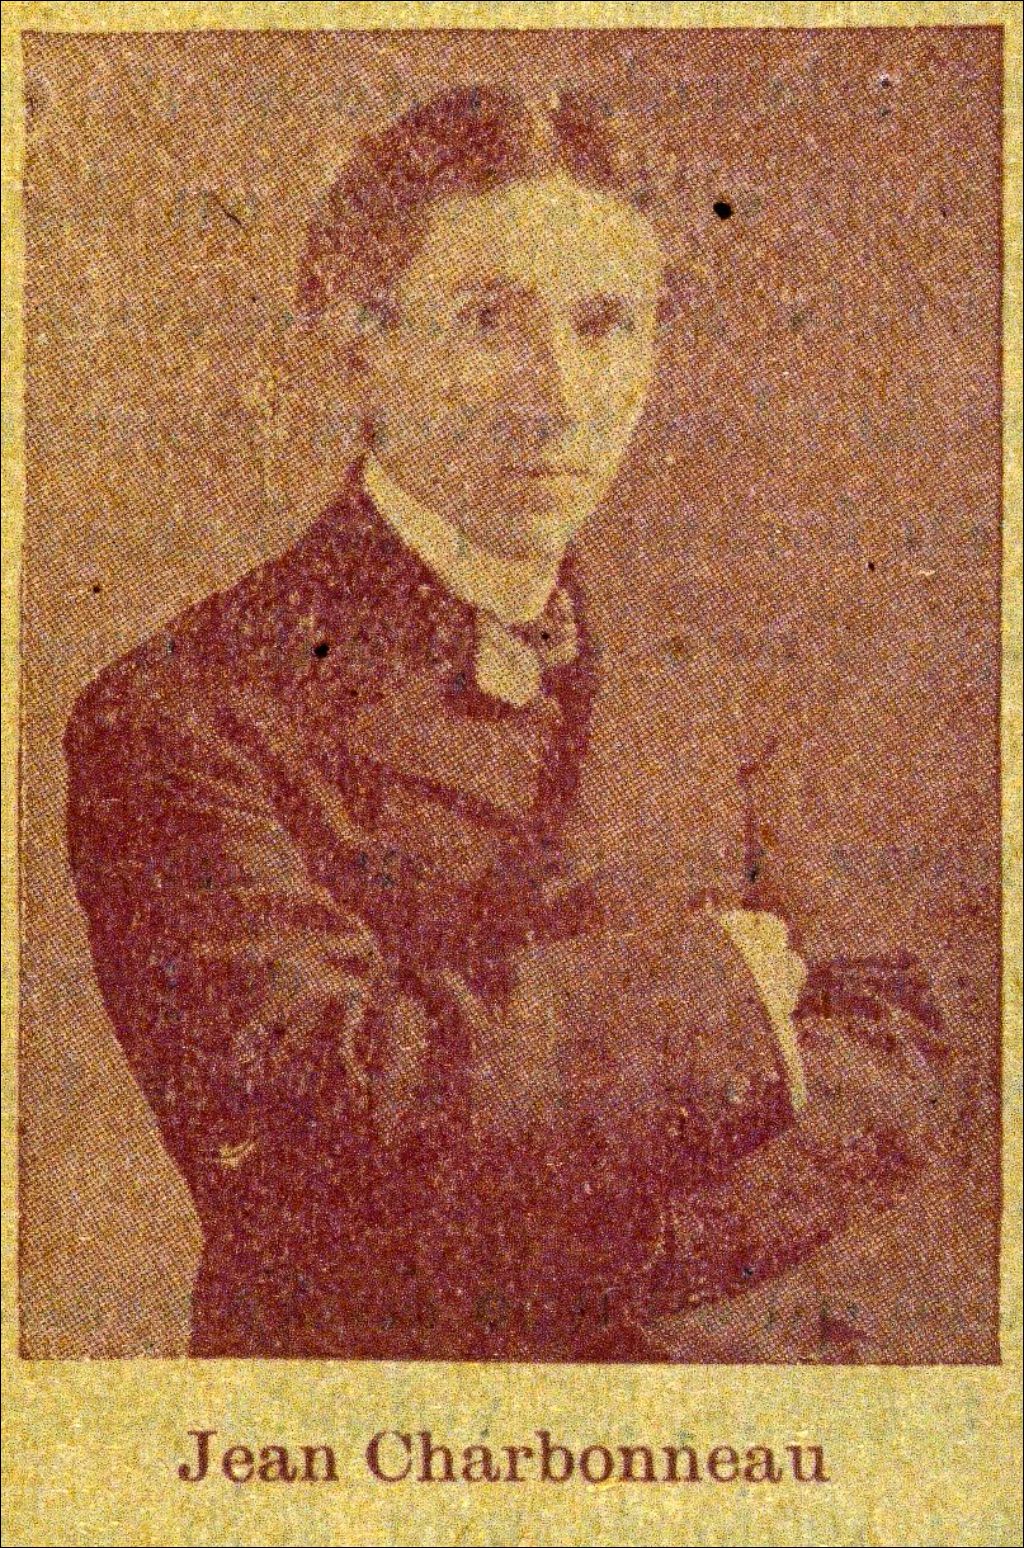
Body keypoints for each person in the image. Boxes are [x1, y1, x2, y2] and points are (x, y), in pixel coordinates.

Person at [64, 86, 955, 1360]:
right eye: (490, 322)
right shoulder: (182, 712)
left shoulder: (710, 680)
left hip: (736, 1410)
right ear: (358, 343)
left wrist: (647, 1247)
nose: (559, 395)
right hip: (384, 1427)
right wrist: (724, 1000)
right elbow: (311, 1133)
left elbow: (895, 1039)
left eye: (604, 327)